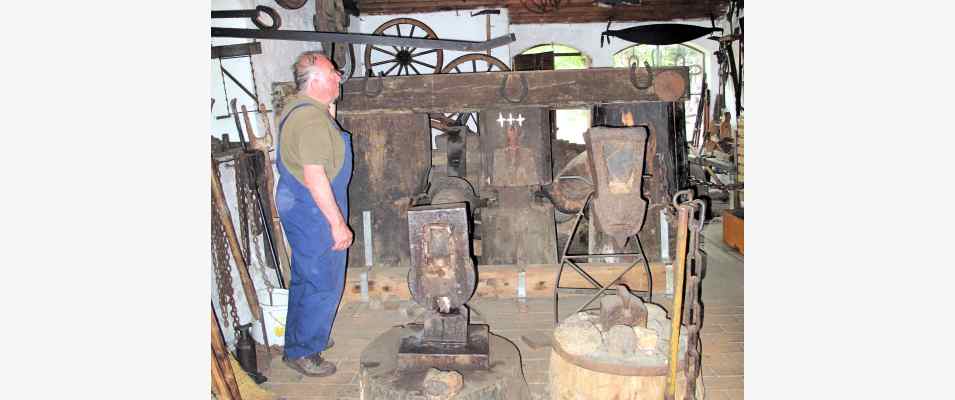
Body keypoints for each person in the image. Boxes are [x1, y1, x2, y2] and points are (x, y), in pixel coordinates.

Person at [274, 52, 353, 377]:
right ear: (317, 81)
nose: (339, 78)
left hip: (301, 204)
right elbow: (315, 175)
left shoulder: (303, 110)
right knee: (323, 282)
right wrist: (337, 224)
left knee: (307, 278)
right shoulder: (310, 121)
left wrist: (329, 110)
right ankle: (306, 350)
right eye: (333, 73)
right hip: (315, 209)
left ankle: (300, 339)